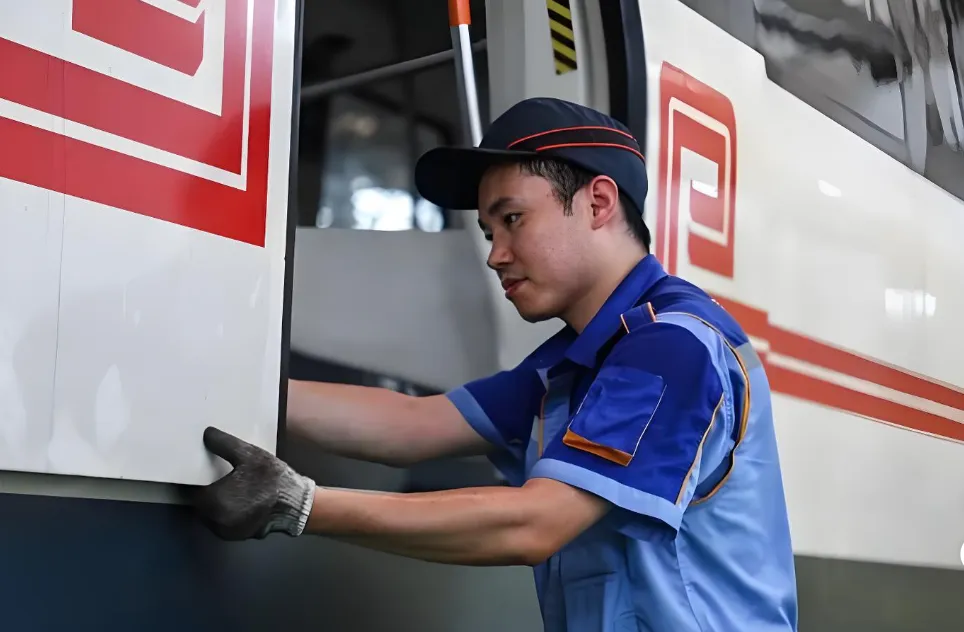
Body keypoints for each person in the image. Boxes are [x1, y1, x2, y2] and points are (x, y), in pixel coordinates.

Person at [192, 97, 799, 631]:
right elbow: (412, 424)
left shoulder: (671, 346)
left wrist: (300, 503)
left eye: (512, 220)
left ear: (598, 202)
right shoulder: (577, 362)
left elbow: (536, 523)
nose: (495, 256)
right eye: (488, 232)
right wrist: (232, 384)